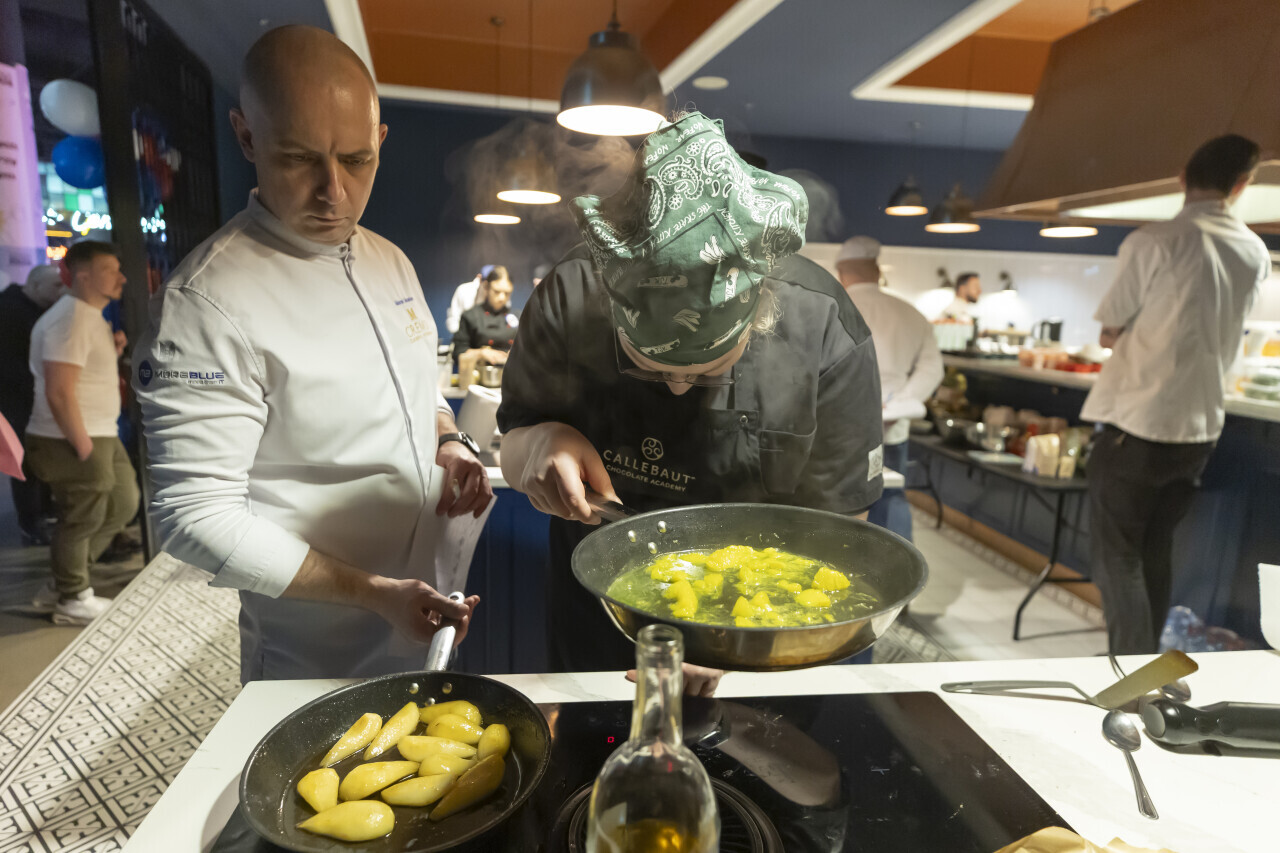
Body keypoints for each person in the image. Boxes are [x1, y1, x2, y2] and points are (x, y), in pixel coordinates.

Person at [132, 25, 493, 682]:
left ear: (380, 140)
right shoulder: (205, 301)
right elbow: (193, 516)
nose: (334, 193)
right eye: (299, 159)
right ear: (246, 137)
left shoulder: (391, 261)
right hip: (317, 647)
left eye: (356, 160)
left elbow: (419, 391)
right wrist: (373, 592)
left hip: (431, 608)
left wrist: (448, 440)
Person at [498, 113, 885, 694]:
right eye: (650, 369)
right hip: (598, 622)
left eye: (705, 372)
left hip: (765, 637)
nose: (677, 387)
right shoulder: (568, 295)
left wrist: (744, 644)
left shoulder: (826, 329)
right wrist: (539, 444)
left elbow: (841, 534)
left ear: (758, 317)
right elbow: (512, 445)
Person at [1080, 134, 1269, 655]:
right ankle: (1142, 668)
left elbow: (1109, 330)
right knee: (1155, 549)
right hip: (1199, 431)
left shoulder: (1155, 240)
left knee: (1118, 557)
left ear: (1183, 178)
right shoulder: (1254, 250)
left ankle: (1130, 673)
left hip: (1137, 423)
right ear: (1241, 185)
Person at [24, 242, 138, 625]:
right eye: (111, 270)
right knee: (82, 518)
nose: (121, 278)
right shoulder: (69, 319)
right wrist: (82, 443)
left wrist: (112, 350)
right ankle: (72, 598)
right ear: (84, 276)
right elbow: (59, 391)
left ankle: (64, 581)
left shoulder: (89, 317)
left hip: (100, 430)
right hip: (73, 436)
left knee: (123, 503)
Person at [836, 236, 943, 542]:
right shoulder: (911, 314)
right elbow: (932, 369)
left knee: (838, 501)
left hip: (838, 429)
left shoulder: (833, 307)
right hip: (891, 430)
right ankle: (899, 566)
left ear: (842, 272)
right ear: (877, 270)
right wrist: (897, 406)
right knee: (890, 494)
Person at [0, 265, 63, 544]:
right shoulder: (10, 311)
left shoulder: (32, 308)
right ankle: (31, 521)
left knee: (36, 457)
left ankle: (42, 514)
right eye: (56, 286)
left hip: (28, 396)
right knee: (25, 460)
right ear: (36, 286)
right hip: (16, 399)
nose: (61, 291)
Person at [455, 265, 518, 364]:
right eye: (496, 292)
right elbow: (458, 352)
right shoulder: (471, 316)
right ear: (486, 287)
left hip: (510, 371)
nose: (502, 298)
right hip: (480, 371)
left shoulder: (518, 316)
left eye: (507, 293)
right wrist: (480, 353)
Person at [445, 264, 494, 335]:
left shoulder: (501, 293)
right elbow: (454, 318)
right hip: (464, 336)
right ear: (479, 278)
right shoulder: (463, 290)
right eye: (486, 283)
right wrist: (461, 336)